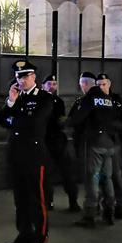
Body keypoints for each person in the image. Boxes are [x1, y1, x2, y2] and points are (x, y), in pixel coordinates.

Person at [0, 60, 54, 243]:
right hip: (17, 154)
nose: (20, 80)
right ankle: (24, 234)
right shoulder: (17, 98)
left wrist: (16, 119)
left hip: (34, 154)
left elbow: (35, 122)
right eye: (18, 76)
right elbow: (2, 120)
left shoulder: (44, 98)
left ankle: (40, 237)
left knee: (37, 198)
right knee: (20, 199)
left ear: (33, 77)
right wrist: (11, 101)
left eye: (24, 76)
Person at [66, 72, 121, 227]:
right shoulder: (108, 99)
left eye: (82, 83)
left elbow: (77, 119)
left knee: (93, 178)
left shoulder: (89, 98)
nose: (81, 86)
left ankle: (90, 214)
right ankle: (109, 210)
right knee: (107, 178)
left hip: (94, 143)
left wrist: (64, 122)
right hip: (109, 144)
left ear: (86, 84)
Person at [97, 73, 122, 220]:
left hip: (115, 143)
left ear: (109, 84)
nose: (101, 87)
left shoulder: (117, 100)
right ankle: (105, 206)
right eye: (98, 85)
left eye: (103, 84)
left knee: (116, 176)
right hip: (99, 143)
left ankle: (120, 205)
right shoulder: (95, 101)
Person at [41, 74, 80, 212]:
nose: (52, 86)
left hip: (58, 139)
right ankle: (48, 201)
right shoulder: (39, 100)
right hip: (43, 140)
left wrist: (63, 121)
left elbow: (61, 119)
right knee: (45, 174)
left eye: (54, 84)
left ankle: (73, 200)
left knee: (67, 171)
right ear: (43, 85)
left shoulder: (58, 101)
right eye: (49, 83)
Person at [64, 71, 97, 212]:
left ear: (84, 84)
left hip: (87, 143)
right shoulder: (105, 99)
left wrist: (64, 122)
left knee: (90, 177)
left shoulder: (86, 100)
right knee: (103, 177)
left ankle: (91, 210)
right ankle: (107, 208)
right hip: (103, 142)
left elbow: (74, 119)